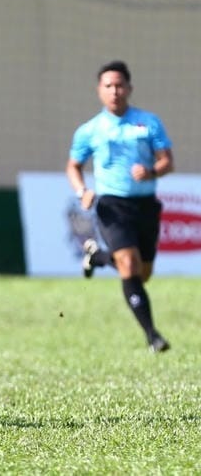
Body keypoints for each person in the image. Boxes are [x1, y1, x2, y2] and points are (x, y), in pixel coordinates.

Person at [66, 60, 174, 353]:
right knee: (128, 265)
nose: (114, 91)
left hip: (146, 205)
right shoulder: (90, 130)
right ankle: (152, 336)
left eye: (119, 85)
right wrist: (82, 191)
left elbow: (167, 161)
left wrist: (151, 171)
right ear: (99, 90)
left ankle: (97, 256)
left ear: (129, 88)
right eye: (108, 86)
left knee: (143, 274)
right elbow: (73, 166)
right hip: (112, 205)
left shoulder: (148, 122)